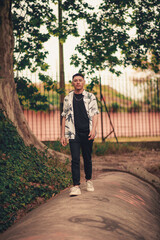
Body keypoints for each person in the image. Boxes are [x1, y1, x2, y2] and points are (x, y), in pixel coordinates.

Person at [61, 73, 99, 196]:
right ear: (72, 83)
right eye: (75, 80)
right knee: (75, 159)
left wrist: (93, 130)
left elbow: (95, 114)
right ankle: (76, 186)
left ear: (83, 82)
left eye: (80, 80)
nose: (78, 82)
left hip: (87, 132)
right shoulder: (68, 98)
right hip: (73, 133)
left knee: (87, 158)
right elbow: (64, 116)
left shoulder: (90, 96)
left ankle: (88, 180)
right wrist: (63, 135)